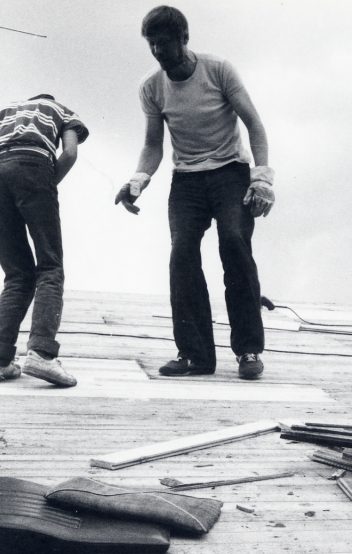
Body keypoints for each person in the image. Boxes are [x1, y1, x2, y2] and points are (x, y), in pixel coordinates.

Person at [115, 5, 274, 380]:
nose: (158, 52)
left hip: (230, 173)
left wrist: (262, 179)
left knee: (234, 243)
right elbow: (154, 145)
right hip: (186, 180)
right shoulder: (151, 87)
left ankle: (248, 351)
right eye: (151, 45)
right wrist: (137, 180)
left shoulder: (218, 69)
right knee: (181, 252)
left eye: (164, 43)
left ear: (184, 39)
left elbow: (255, 125)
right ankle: (195, 355)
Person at [0, 94, 89, 387]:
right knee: (50, 266)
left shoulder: (5, 111)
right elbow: (71, 153)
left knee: (16, 274)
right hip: (34, 166)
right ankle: (41, 353)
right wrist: (44, 189)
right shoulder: (61, 109)